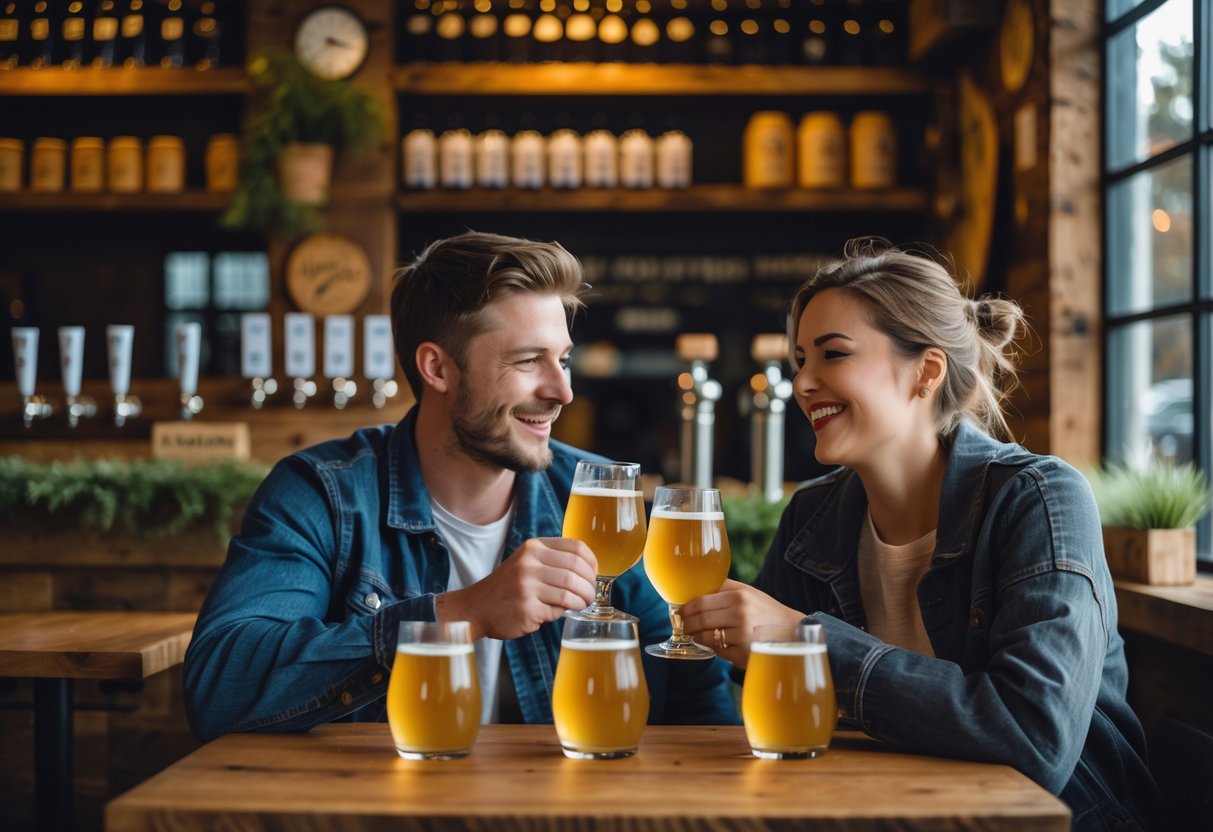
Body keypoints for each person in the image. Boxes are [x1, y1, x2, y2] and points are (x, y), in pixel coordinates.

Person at [681, 240, 1165, 831]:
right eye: (801, 359)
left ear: (926, 372)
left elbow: (1035, 740)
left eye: (832, 355)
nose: (803, 382)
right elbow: (763, 701)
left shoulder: (1037, 499)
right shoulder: (812, 516)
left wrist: (807, 641)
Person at [184, 231, 738, 741]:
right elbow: (221, 687)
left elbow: (698, 706)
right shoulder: (324, 495)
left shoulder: (596, 499)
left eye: (563, 359)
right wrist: (459, 613)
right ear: (438, 369)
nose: (563, 390)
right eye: (528, 361)